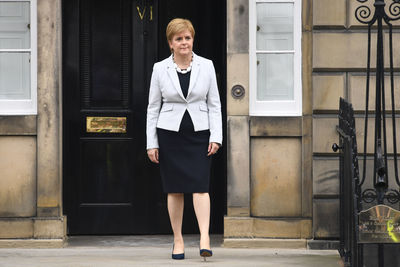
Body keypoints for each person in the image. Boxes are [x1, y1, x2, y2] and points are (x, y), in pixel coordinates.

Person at [146, 18, 222, 261]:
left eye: (187, 38)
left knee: (201, 187)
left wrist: (216, 137)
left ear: (192, 39)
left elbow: (215, 105)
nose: (184, 43)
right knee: (175, 190)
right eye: (178, 39)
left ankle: (204, 238)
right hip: (169, 135)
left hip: (200, 134)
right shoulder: (160, 69)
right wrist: (152, 142)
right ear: (170, 43)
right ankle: (178, 240)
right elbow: (153, 108)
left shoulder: (207, 66)